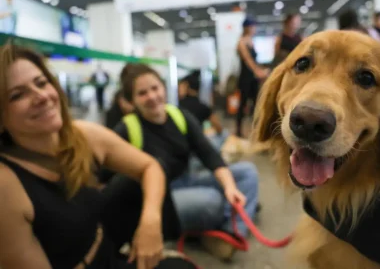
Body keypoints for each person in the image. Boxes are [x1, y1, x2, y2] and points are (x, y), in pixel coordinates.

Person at [0, 43, 167, 269]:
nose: (41, 96)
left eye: (42, 83)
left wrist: (150, 221)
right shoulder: (6, 185)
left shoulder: (82, 135)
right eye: (17, 95)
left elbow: (150, 167)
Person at [110, 63, 259, 260]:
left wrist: (230, 187)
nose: (152, 97)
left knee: (247, 172)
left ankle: (229, 234)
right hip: (160, 200)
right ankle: (213, 226)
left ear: (163, 88)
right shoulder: (126, 129)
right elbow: (106, 180)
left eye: (155, 88)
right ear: (132, 101)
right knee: (212, 199)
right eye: (142, 93)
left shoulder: (179, 116)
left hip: (186, 180)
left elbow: (210, 156)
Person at [236, 17, 268, 137]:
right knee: (243, 104)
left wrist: (261, 70)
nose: (254, 29)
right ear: (247, 27)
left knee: (256, 104)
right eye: (252, 26)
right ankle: (238, 131)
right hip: (245, 77)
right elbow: (248, 60)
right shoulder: (241, 42)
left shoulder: (251, 41)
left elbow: (254, 60)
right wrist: (257, 71)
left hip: (253, 78)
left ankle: (257, 130)